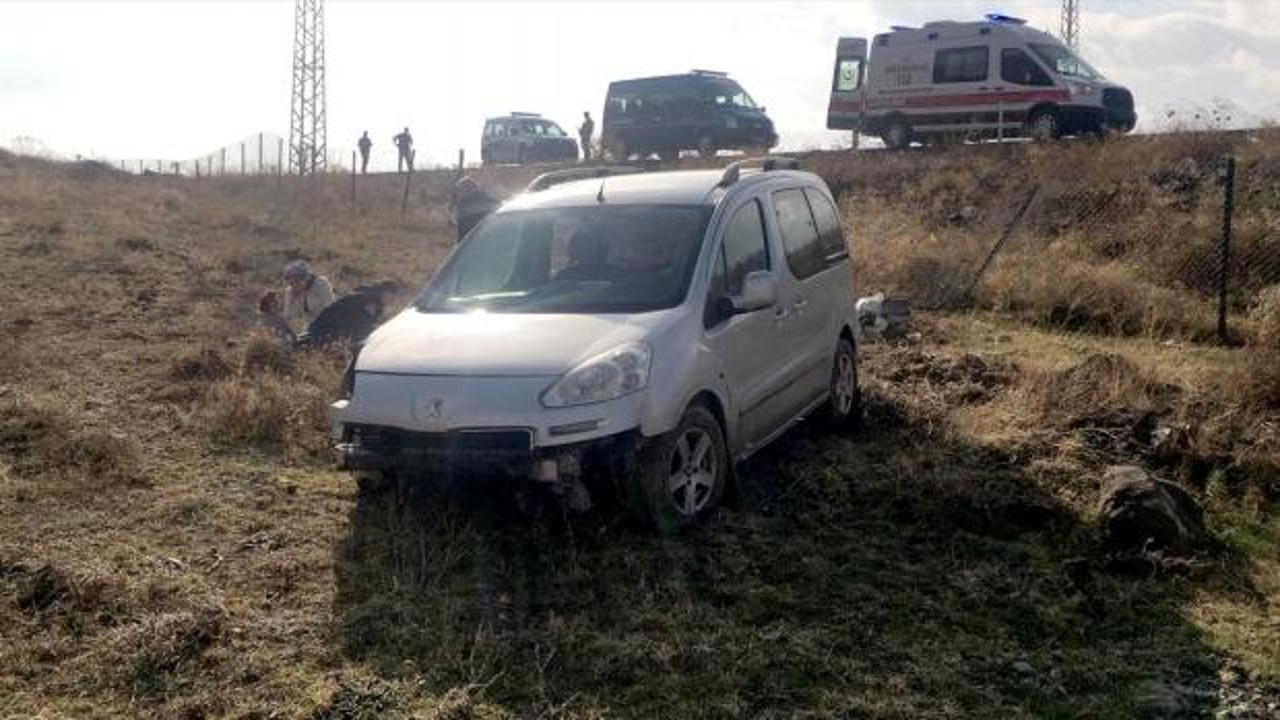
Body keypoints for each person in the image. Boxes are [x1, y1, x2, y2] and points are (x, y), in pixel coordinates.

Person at [296, 280, 400, 348]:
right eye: (392, 296)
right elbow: (362, 325)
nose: (393, 300)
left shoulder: (374, 301)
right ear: (385, 292)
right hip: (328, 328)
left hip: (330, 328)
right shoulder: (367, 300)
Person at [281, 260, 335, 332]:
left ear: (306, 277)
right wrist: (294, 300)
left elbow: (330, 306)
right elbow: (288, 315)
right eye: (291, 283)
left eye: (297, 281)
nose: (294, 285)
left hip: (328, 323)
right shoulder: (290, 291)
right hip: (310, 326)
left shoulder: (321, 283)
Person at [447, 176, 501, 243]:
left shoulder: (463, 203)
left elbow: (461, 235)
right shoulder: (486, 196)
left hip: (476, 240)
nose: (460, 193)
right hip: (490, 237)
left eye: (461, 190)